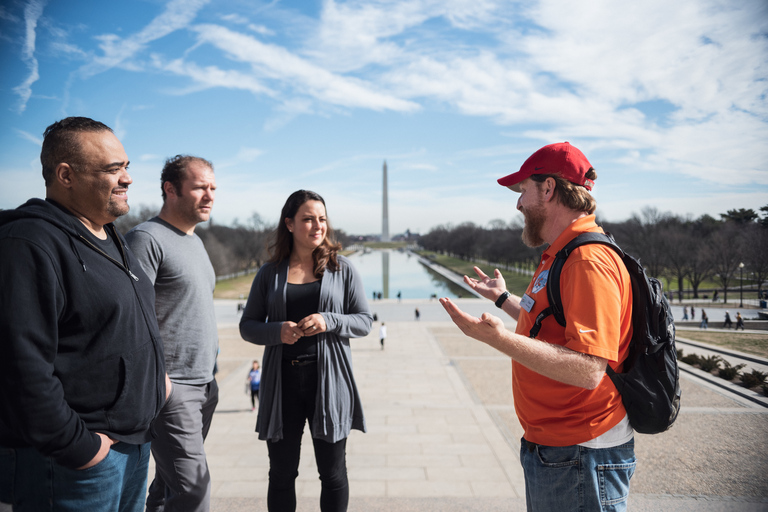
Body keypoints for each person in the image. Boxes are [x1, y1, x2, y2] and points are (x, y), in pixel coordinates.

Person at [440, 142, 635, 511]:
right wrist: (502, 300)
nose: (517, 205)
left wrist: (499, 340)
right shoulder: (560, 253)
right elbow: (549, 326)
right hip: (560, 447)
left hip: (580, 450)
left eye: (522, 191)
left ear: (549, 189)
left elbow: (589, 368)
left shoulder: (586, 260)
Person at [0, 117, 168, 511]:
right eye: (113, 169)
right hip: (74, 464)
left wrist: (157, 385)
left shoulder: (109, 234)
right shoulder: (28, 244)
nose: (127, 178)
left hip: (132, 446)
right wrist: (79, 447)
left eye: (126, 166)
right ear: (66, 175)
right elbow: (20, 367)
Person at [239, 190, 372, 512]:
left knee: (333, 473)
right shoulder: (269, 273)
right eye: (308, 219)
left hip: (329, 382)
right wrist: (277, 331)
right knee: (282, 473)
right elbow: (248, 326)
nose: (317, 226)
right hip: (282, 382)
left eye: (322, 219)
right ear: (289, 223)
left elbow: (364, 322)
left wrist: (329, 320)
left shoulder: (343, 270)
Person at [125, 155, 219, 512]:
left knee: (168, 486)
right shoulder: (146, 239)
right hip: (173, 388)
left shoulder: (194, 240)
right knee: (194, 491)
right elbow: (132, 317)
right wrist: (160, 380)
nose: (209, 195)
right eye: (200, 187)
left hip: (205, 384)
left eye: (212, 188)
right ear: (170, 189)